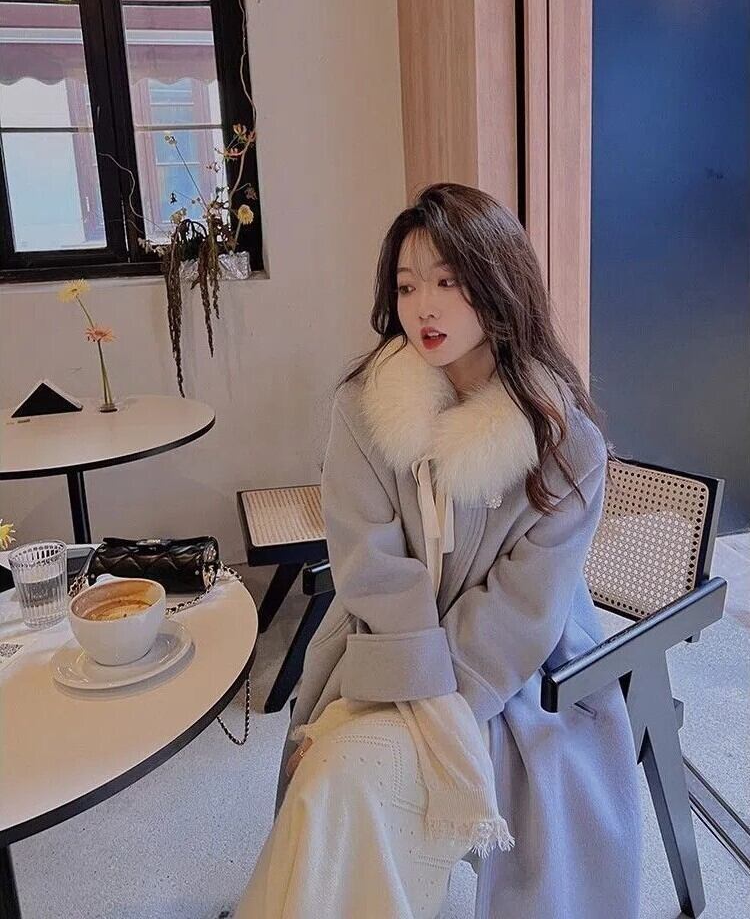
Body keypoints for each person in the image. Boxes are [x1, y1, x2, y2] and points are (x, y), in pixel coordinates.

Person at [234, 183, 643, 918]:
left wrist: (435, 711)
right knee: (328, 785)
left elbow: (522, 611)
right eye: (407, 286)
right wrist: (406, 687)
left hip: (520, 670)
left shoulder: (565, 442)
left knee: (349, 778)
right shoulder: (365, 408)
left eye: (448, 283)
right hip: (384, 642)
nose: (424, 307)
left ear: (499, 284)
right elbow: (369, 564)